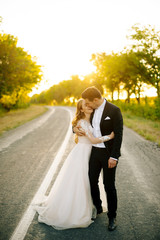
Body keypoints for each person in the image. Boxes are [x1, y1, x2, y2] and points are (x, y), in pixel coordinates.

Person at [34, 99, 114, 230]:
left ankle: (91, 205)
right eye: (85, 105)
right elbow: (93, 139)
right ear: (81, 109)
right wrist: (109, 137)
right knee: (80, 181)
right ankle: (76, 209)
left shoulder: (93, 119)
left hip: (91, 153)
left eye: (89, 104)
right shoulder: (82, 122)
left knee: (89, 180)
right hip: (82, 154)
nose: (89, 106)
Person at [73, 86, 123, 231]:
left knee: (109, 185)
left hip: (108, 154)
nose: (87, 105)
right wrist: (74, 129)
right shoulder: (92, 109)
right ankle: (98, 205)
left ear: (95, 100)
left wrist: (114, 156)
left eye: (89, 103)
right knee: (91, 180)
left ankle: (112, 217)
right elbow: (82, 120)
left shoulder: (114, 110)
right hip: (94, 152)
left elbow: (118, 134)